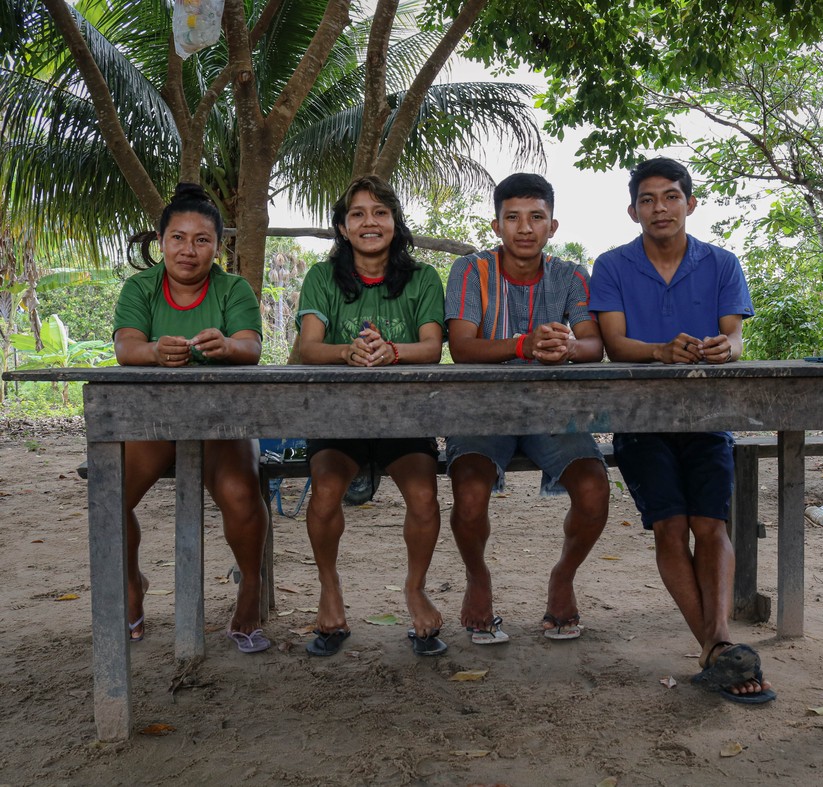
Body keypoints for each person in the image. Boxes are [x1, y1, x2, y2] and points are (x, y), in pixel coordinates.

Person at [589, 157, 775, 703]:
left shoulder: (721, 263)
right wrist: (659, 351)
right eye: (647, 200)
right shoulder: (613, 266)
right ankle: (721, 648)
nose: (659, 208)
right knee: (670, 528)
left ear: (690, 204)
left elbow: (735, 339)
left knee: (711, 525)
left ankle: (716, 650)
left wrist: (727, 348)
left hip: (706, 416)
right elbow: (615, 346)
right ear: (632, 211)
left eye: (670, 196)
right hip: (639, 419)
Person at [444, 173, 610, 645]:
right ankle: (478, 578)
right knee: (470, 495)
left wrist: (566, 347)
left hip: (550, 411)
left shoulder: (571, 274)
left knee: (596, 490)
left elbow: (593, 344)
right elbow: (461, 347)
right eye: (512, 217)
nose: (524, 227)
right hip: (480, 410)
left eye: (536, 217)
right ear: (496, 225)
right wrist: (524, 343)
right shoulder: (470, 271)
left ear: (552, 226)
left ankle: (563, 576)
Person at [113, 183, 271, 654]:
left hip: (223, 424)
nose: (188, 249)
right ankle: (131, 583)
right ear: (160, 241)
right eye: (178, 238)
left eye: (201, 239)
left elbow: (252, 347)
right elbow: (126, 347)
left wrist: (228, 346)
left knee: (242, 496)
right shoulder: (141, 287)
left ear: (217, 247)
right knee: (111, 497)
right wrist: (152, 351)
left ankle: (249, 589)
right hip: (156, 424)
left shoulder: (232, 287)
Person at [296, 175, 447, 657]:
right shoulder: (322, 278)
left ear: (395, 223)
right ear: (342, 227)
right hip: (337, 419)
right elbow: (306, 348)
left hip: (404, 419)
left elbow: (432, 347)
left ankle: (415, 589)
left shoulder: (422, 278)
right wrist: (346, 353)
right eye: (357, 214)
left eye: (380, 212)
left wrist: (392, 351)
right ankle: (329, 587)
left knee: (424, 495)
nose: (369, 222)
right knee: (324, 492)